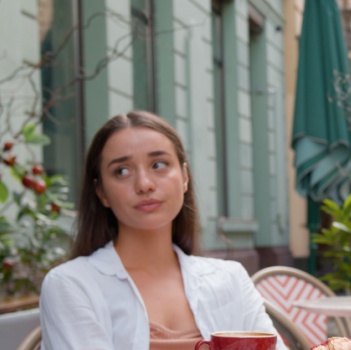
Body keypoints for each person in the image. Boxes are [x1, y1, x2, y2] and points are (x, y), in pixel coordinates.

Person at [39, 111, 288, 350]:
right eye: (122, 171)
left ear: (185, 177)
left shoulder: (230, 279)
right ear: (101, 192)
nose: (144, 184)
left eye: (159, 164)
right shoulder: (71, 285)